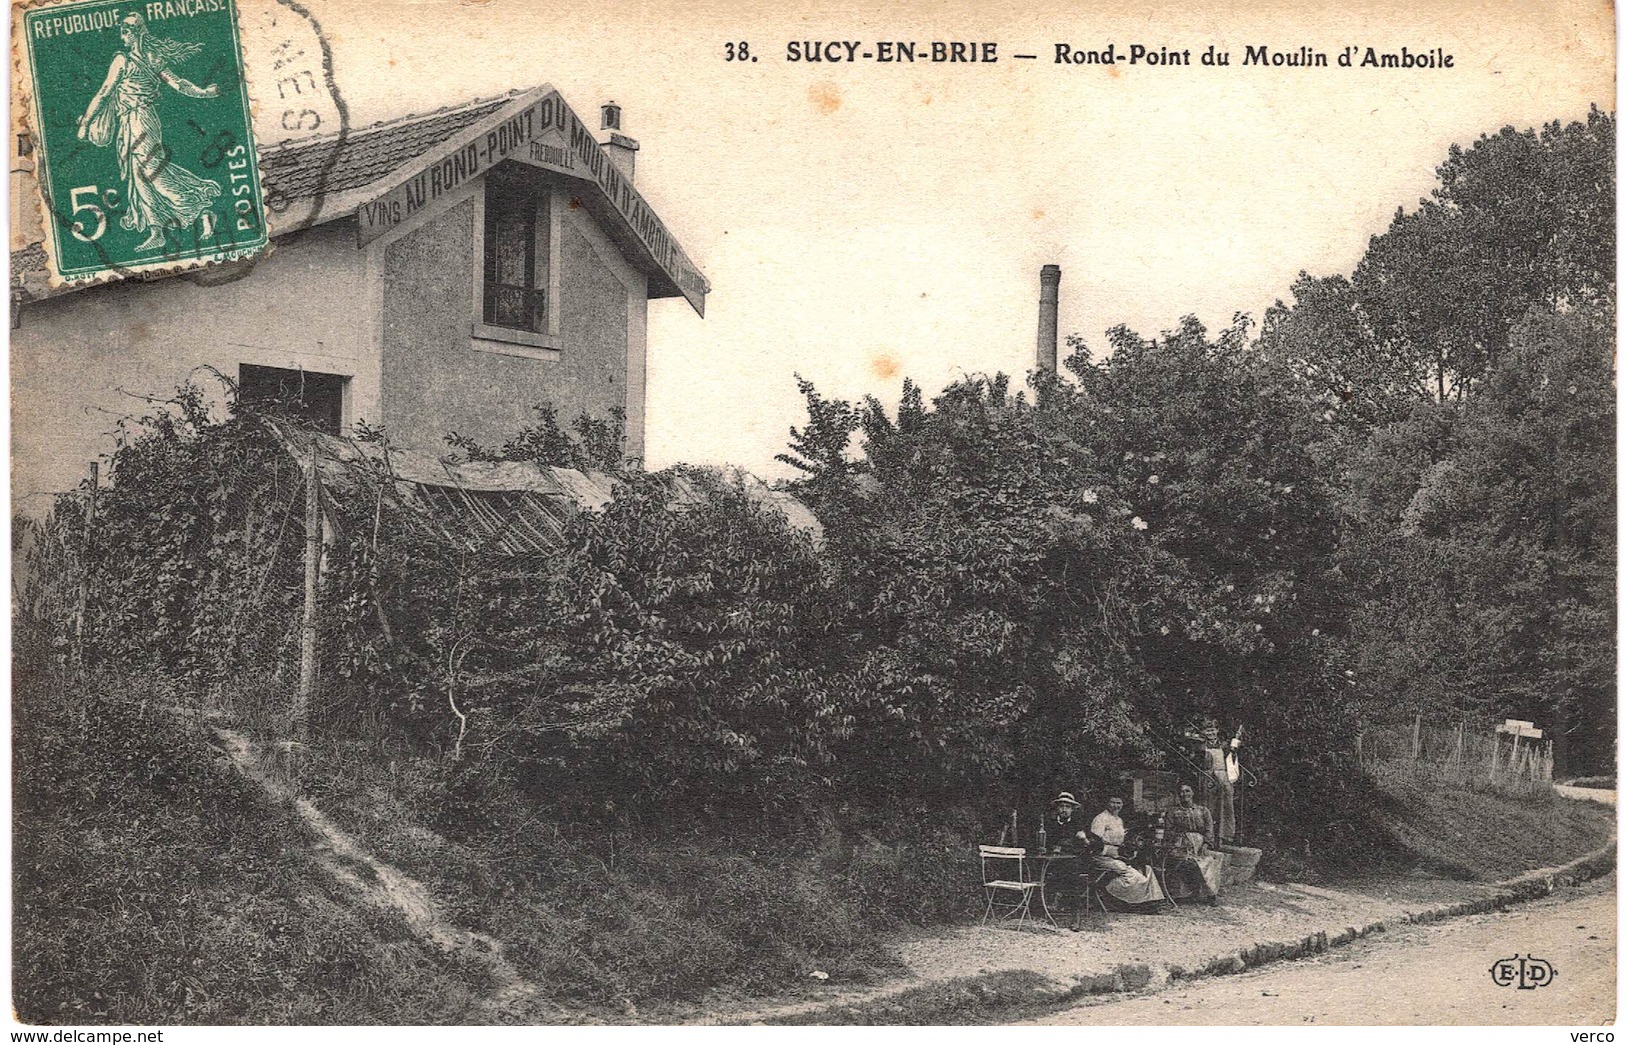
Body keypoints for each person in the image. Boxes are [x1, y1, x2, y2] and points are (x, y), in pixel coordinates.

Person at [77, 13, 223, 252]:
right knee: (140, 176)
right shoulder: (153, 57)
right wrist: (204, 92)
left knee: (154, 172)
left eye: (125, 32)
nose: (122, 36)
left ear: (132, 33)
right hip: (138, 120)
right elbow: (179, 84)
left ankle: (200, 210)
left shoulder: (122, 60)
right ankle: (157, 231)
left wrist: (85, 124)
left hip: (138, 120)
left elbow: (104, 93)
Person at [1088, 796, 1168, 913]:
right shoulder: (1100, 819)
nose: (1116, 806)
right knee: (1130, 873)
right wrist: (1112, 853)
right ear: (1107, 803)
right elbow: (1094, 844)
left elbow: (1120, 842)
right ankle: (1121, 901)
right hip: (1101, 856)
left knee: (1146, 869)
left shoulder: (1118, 820)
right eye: (1113, 802)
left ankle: (1153, 900)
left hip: (1117, 855)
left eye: (1119, 803)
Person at [1161, 783, 1223, 902]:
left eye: (1187, 791)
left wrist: (1205, 844)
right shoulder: (1173, 811)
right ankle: (1190, 893)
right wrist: (1180, 842)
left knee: (1211, 860)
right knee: (1190, 862)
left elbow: (1209, 829)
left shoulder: (1203, 810)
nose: (1184, 794)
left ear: (1193, 793)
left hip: (1200, 844)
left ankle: (1211, 894)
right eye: (1182, 792)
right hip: (1182, 844)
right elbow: (1168, 830)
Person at [1196, 724, 1237, 843]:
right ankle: (1208, 835)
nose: (1210, 733)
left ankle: (1224, 835)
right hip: (1208, 778)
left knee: (1226, 806)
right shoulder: (1201, 745)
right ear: (1203, 732)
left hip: (1223, 777)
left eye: (1212, 730)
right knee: (1209, 806)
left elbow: (1232, 755)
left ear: (1217, 730)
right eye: (1207, 731)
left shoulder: (1224, 745)